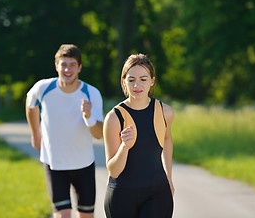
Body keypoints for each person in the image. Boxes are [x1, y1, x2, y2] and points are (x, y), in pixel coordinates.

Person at [25, 44, 104, 218]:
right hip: (54, 163)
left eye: (72, 65)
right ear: (56, 66)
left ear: (80, 67)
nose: (67, 69)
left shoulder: (91, 93)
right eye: (63, 64)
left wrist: (89, 116)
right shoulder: (43, 88)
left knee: (86, 215)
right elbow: (30, 105)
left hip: (83, 163)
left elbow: (98, 134)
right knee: (63, 214)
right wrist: (35, 133)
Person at [103, 54, 175, 218]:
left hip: (157, 193)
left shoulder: (165, 112)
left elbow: (167, 139)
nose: (137, 85)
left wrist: (168, 178)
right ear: (124, 82)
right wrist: (124, 147)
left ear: (152, 81)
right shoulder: (114, 118)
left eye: (143, 79)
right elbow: (113, 171)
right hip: (122, 196)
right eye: (131, 79)